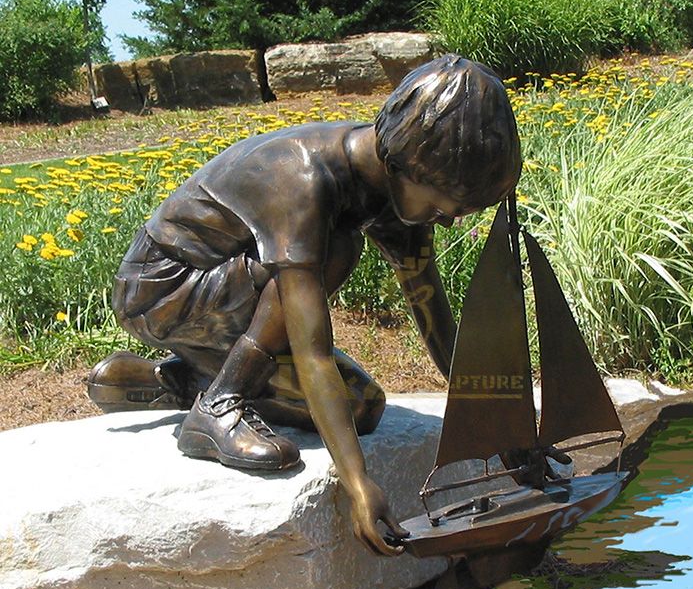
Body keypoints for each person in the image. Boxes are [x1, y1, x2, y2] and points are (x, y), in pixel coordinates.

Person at [88, 54, 522, 556]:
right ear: (405, 162)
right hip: (161, 290)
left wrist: (502, 425)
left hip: (226, 300)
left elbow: (434, 315)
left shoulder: (393, 186)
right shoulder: (304, 182)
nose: (446, 220)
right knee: (334, 249)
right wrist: (358, 484)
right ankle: (218, 404)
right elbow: (312, 349)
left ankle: (177, 380)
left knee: (362, 406)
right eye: (444, 203)